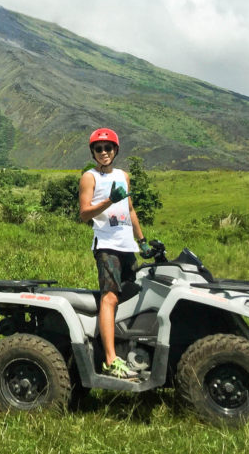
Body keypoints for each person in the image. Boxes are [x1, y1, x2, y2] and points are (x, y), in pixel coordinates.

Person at [78, 128, 149, 379]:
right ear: (93, 153)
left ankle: (127, 348)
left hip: (127, 245)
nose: (104, 152)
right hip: (107, 245)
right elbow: (84, 213)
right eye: (99, 149)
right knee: (109, 297)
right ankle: (110, 360)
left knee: (130, 296)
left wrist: (142, 240)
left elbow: (129, 210)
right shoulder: (90, 177)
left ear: (116, 150)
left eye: (108, 148)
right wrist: (108, 200)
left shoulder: (123, 176)